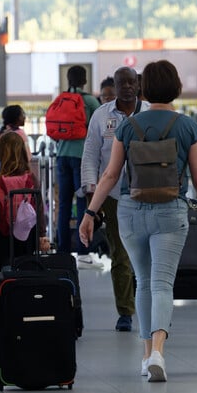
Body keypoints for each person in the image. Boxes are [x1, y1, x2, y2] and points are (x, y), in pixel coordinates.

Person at [79, 60, 197, 382]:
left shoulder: (129, 126)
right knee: (161, 284)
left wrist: (90, 213)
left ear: (143, 89)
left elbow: (111, 174)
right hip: (171, 211)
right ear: (176, 88)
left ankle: (146, 356)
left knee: (142, 282)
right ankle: (158, 348)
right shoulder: (187, 127)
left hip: (131, 210)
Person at [81, 67, 142, 332]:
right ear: (114, 87)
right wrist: (92, 194)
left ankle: (153, 306)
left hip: (148, 195)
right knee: (120, 254)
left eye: (131, 82)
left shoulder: (151, 112)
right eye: (122, 83)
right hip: (114, 195)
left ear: (138, 85)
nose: (127, 87)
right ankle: (126, 311)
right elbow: (91, 156)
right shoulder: (101, 116)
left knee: (148, 254)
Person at [0, 132, 49, 270]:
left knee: (0, 280)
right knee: (25, 276)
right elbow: (39, 209)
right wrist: (41, 235)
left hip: (1, 237)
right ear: (22, 151)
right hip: (27, 238)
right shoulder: (31, 178)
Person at [55, 65, 102, 269]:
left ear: (68, 79)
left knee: (63, 205)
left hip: (61, 156)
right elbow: (96, 131)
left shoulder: (60, 100)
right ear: (84, 80)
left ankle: (63, 253)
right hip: (82, 158)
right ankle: (83, 253)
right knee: (83, 204)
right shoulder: (91, 101)